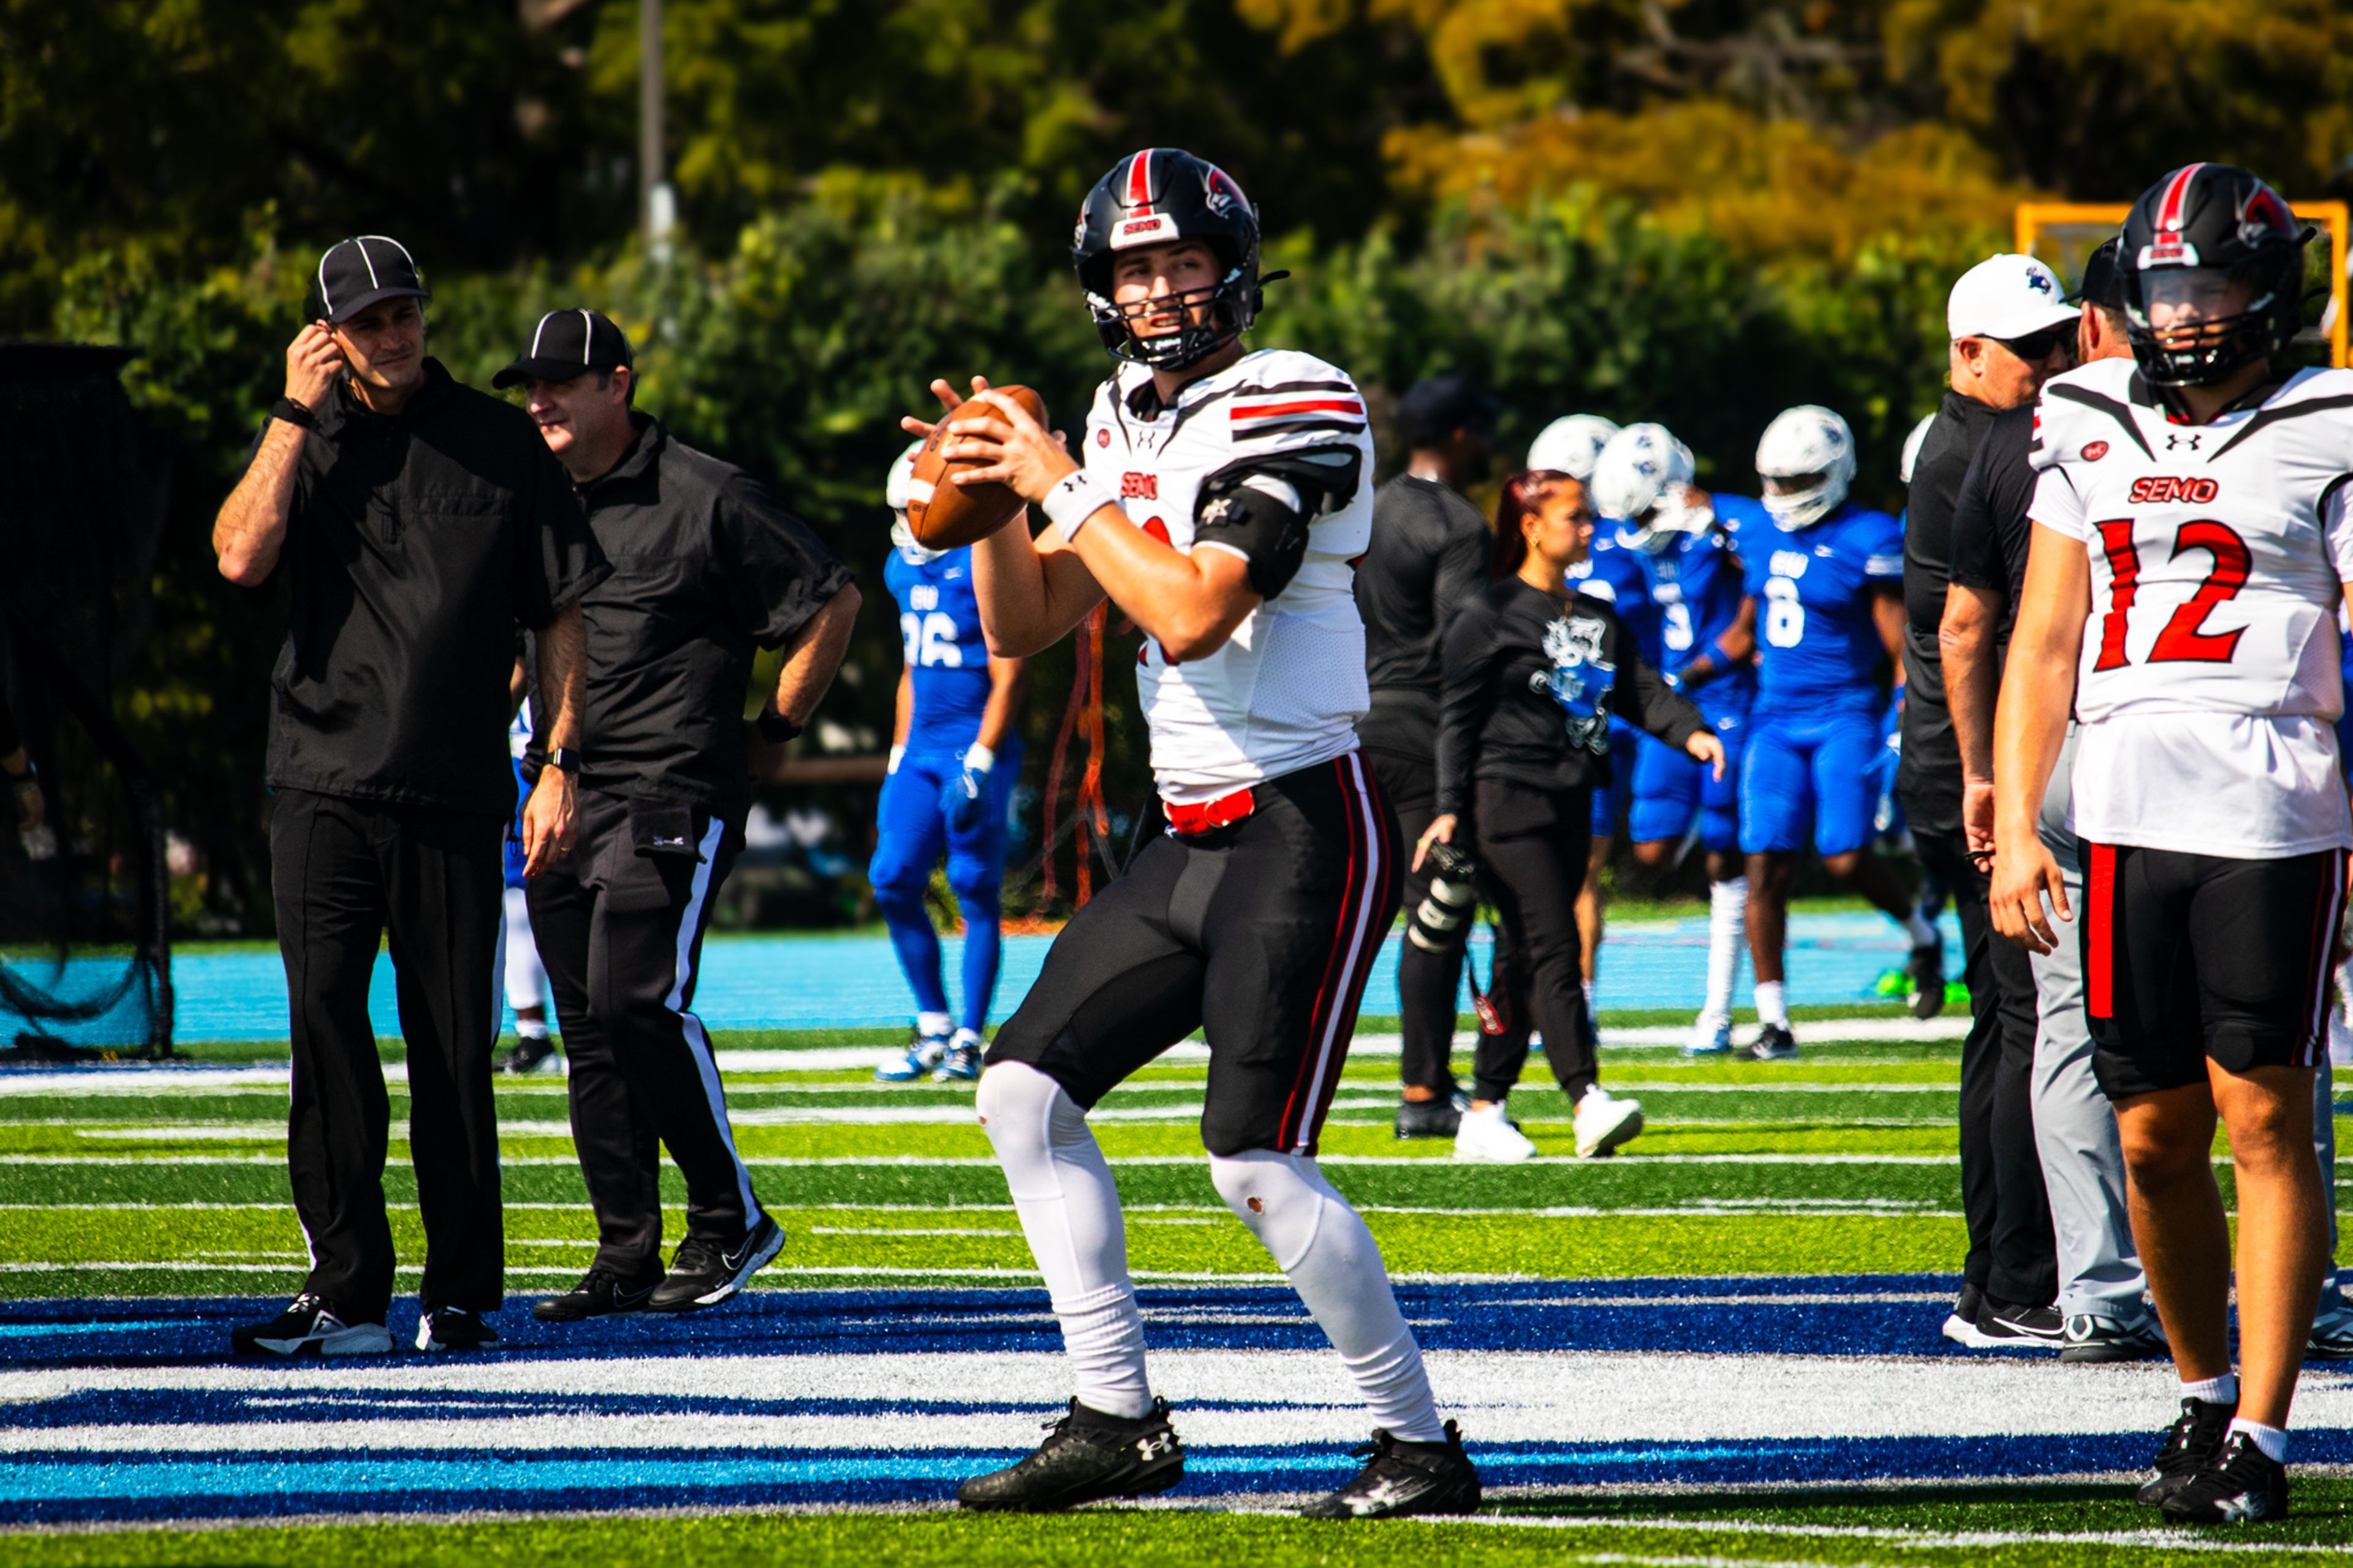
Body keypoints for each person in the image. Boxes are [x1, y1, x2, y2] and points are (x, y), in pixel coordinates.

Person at [916, 146, 1480, 1519]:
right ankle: (1116, 1415)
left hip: (1304, 823)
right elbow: (1026, 624)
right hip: (1184, 835)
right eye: (1131, 265)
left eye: (1178, 258)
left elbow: (1188, 611)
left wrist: (1054, 478)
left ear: (1233, 261)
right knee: (1020, 1090)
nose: (1158, 288)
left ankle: (1418, 1441)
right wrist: (989, 497)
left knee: (1252, 1158)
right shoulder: (1115, 415)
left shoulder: (1297, 394)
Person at [1991, 162, 2351, 1523]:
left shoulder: (2331, 419)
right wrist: (2022, 825)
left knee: (2263, 1115)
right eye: (2163, 290)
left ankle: (2262, 1431)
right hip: (2120, 810)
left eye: (2207, 287)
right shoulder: (2081, 410)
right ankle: (2197, 1393)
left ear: (2270, 292)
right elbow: (2042, 634)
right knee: (2149, 1133)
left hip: (2275, 800)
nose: (2185, 316)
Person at [212, 237, 608, 1357]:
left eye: (405, 313)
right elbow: (238, 559)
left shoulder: (498, 441)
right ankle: (343, 1294)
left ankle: (464, 1292)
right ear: (327, 334)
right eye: (368, 320)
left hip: (453, 783)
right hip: (321, 783)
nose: (393, 335)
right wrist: (293, 416)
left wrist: (560, 761)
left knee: (452, 1048)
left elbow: (563, 606)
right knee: (324, 1033)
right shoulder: (303, 438)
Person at [504, 309, 860, 1323]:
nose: (540, 400)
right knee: (586, 1028)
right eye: (528, 384)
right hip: (562, 788)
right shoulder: (533, 499)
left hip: (673, 786)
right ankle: (624, 1250)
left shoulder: (710, 492)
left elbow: (830, 600)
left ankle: (728, 1216)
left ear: (618, 383)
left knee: (633, 1000)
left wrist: (778, 725)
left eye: (560, 382)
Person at [1426, 469, 1724, 1162]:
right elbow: (1456, 725)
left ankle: (1484, 1111)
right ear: (1531, 526)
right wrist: (1446, 811)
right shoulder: (1489, 614)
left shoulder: (1594, 615)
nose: (1590, 529)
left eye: (1590, 516)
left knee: (1521, 956)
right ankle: (1586, 1100)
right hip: (1503, 803)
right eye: (1576, 517)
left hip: (1570, 801)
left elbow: (1639, 690)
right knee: (1556, 944)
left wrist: (1691, 731)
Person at [1909, 252, 2074, 1348]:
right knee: (2028, 1023)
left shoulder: (1969, 438)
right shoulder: (1986, 445)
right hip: (1980, 768)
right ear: (1969, 352)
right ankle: (2018, 1275)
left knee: (2004, 1022)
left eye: (2062, 340)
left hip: (1961, 763)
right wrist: (1990, 780)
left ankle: (1999, 1270)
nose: (2054, 363)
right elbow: (1969, 630)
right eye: (2032, 348)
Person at [1738, 405, 1944, 1059]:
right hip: (1773, 719)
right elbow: (1744, 618)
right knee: (1764, 859)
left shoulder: (1869, 538)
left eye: (1800, 481)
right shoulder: (1759, 533)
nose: (1786, 494)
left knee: (1845, 854)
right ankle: (1774, 1019)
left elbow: (1896, 645)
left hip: (1843, 714)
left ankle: (1921, 935)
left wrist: (1904, 714)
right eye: (1778, 481)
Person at [1355, 374, 1498, 1140]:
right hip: (1425, 733)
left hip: (1349, 727)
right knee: (1435, 914)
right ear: (1458, 435)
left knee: (1335, 913)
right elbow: (1461, 651)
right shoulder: (1457, 524)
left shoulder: (1368, 507)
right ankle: (1422, 1092)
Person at [1587, 425, 1759, 1056]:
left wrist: (1735, 647)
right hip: (1672, 703)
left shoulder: (1731, 522)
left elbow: (1762, 589)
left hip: (1725, 700)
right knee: (1651, 850)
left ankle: (1718, 1012)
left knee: (1724, 849)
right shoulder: (1624, 537)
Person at [871, 440, 1029, 1085]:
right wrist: (898, 753)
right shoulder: (900, 567)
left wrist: (985, 757)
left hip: (974, 744)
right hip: (923, 748)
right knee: (891, 877)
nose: (914, 522)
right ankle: (933, 1023)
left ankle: (970, 1035)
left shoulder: (981, 559)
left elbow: (1012, 669)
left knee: (974, 887)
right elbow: (912, 667)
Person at [495, 651, 558, 1074]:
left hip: (539, 756)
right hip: (531, 753)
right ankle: (534, 1032)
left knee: (521, 887)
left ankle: (535, 1032)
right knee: (518, 889)